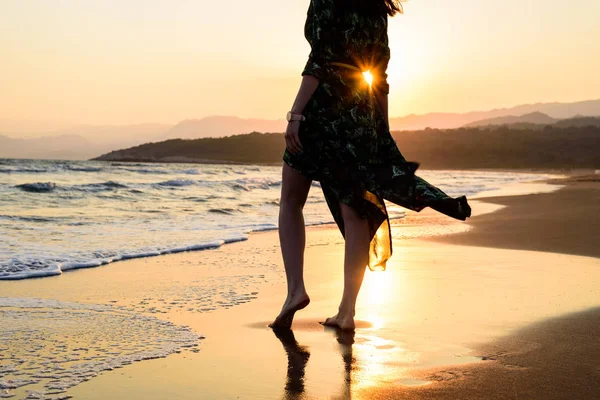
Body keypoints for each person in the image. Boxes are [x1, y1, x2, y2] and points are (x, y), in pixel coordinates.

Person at [270, 0, 471, 331]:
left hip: (322, 113)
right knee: (355, 211)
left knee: (292, 200)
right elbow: (378, 74)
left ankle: (296, 290)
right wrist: (382, 129)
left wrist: (295, 114)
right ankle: (347, 311)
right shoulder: (376, 6)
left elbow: (319, 60)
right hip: (361, 116)